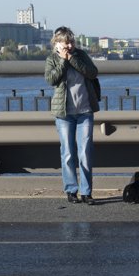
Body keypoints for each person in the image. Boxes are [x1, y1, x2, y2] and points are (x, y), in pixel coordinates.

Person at [44, 26, 100, 205]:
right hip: (64, 113)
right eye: (65, 42)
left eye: (71, 42)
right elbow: (51, 79)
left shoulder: (81, 55)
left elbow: (92, 72)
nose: (69, 45)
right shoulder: (52, 59)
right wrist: (62, 61)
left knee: (85, 152)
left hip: (85, 111)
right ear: (57, 43)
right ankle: (71, 190)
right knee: (67, 153)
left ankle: (86, 192)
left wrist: (71, 59)